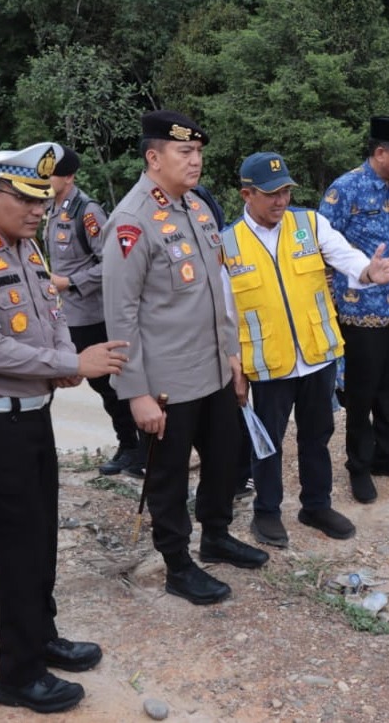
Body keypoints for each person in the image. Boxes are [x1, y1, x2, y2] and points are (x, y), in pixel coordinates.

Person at [0, 141, 129, 714]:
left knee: (39, 541)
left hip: (30, 421)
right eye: (27, 200)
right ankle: (17, 675)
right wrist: (71, 365)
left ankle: (41, 637)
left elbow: (53, 317)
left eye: (43, 200)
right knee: (14, 550)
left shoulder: (25, 249)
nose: (41, 209)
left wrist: (65, 359)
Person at [102, 110, 268, 607]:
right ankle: (177, 563)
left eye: (198, 152)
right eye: (184, 153)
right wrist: (135, 394)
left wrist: (233, 357)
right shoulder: (131, 223)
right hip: (166, 385)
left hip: (214, 371)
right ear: (154, 158)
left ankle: (215, 535)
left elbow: (218, 291)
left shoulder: (196, 208)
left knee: (225, 461)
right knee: (169, 479)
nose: (195, 162)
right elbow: (121, 316)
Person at [222, 152, 389, 547]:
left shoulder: (309, 224)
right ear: (247, 194)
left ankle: (316, 505)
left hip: (316, 354)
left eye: (286, 191)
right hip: (269, 363)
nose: (280, 201)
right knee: (268, 443)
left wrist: (367, 272)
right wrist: (233, 364)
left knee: (317, 435)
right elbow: (222, 312)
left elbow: (344, 255)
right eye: (271, 194)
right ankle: (267, 513)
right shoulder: (227, 243)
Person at [319, 115, 389, 504]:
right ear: (381, 153)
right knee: (361, 394)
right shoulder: (345, 190)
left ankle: (388, 457)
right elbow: (321, 246)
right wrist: (331, 303)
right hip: (359, 310)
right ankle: (358, 466)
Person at [43, 146, 140, 477]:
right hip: (72, 314)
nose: (45, 179)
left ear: (68, 177)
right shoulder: (51, 209)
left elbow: (111, 263)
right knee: (102, 386)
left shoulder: (87, 212)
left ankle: (135, 448)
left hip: (96, 314)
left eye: (51, 174)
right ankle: (131, 445)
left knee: (113, 383)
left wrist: (69, 282)